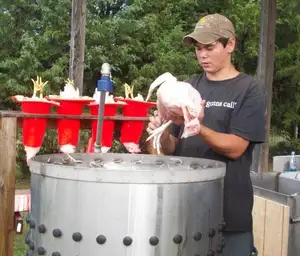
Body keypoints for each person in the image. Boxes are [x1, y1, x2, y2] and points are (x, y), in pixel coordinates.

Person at [147, 13, 266, 256]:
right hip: (185, 212)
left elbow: (236, 147)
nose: (202, 55)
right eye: (199, 48)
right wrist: (159, 134)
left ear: (230, 44)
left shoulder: (249, 90)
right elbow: (171, 148)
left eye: (210, 47)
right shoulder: (187, 87)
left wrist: (197, 127)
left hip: (230, 216)